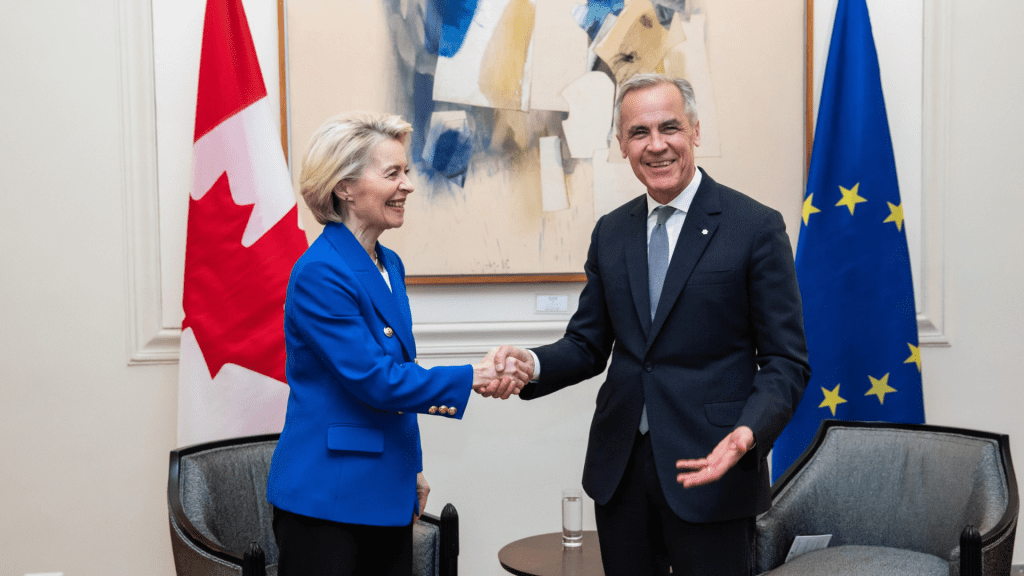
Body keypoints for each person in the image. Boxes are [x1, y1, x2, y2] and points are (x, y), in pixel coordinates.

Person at [489, 74, 811, 575]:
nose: (656, 145)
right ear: (621, 144)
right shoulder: (612, 231)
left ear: (696, 132)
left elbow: (786, 361)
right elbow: (587, 344)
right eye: (639, 132)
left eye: (670, 128)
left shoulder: (755, 227)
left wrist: (747, 433)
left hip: (713, 469)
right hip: (621, 475)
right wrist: (529, 364)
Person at [265, 112, 526, 576]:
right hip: (327, 500)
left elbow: (398, 368)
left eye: (406, 172)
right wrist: (475, 376)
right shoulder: (321, 271)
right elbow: (376, 381)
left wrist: (411, 468)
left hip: (383, 486)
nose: (408, 185)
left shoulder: (390, 263)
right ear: (344, 187)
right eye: (392, 174)